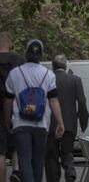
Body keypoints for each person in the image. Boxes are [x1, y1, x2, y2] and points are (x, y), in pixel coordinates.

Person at [3, 39, 65, 182]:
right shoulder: (48, 74)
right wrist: (60, 122)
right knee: (38, 160)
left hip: (20, 124)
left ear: (26, 53)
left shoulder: (14, 73)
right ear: (41, 55)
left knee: (24, 158)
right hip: (41, 124)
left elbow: (8, 100)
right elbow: (53, 100)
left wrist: (7, 120)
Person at [45, 54, 89, 182]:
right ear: (65, 66)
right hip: (69, 124)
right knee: (67, 152)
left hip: (50, 125)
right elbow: (82, 102)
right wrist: (83, 123)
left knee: (51, 155)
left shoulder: (46, 80)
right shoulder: (75, 80)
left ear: (53, 66)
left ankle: (53, 178)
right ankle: (70, 173)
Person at [0, 32, 25, 182]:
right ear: (10, 43)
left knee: (0, 153)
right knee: (16, 142)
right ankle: (16, 169)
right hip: (16, 107)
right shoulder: (19, 60)